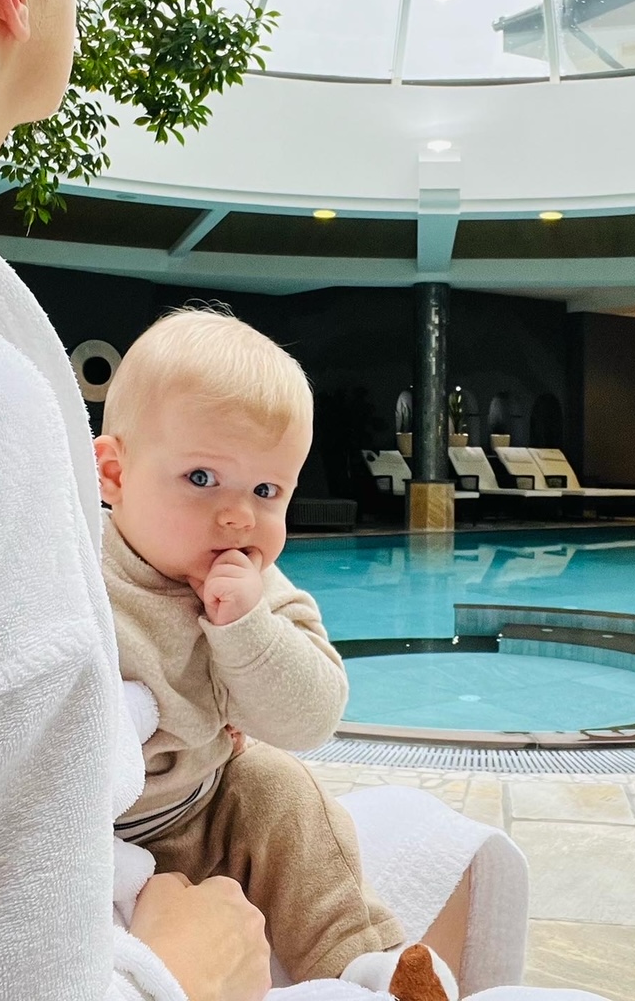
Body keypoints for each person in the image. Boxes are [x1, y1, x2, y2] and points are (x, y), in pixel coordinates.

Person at [0, 0, 614, 999]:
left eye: (262, 486)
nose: (238, 513)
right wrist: (176, 971)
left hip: (192, 823)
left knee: (309, 806)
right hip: (136, 918)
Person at [95, 308, 454, 998]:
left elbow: (312, 718)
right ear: (113, 474)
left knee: (283, 789)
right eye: (202, 478)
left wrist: (247, 628)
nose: (238, 515)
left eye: (266, 491)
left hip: (208, 807)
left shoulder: (262, 591)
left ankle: (363, 962)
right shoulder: (77, 570)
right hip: (95, 835)